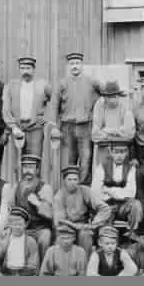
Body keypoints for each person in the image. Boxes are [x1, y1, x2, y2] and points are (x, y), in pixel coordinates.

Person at [49, 52, 102, 186]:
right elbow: (54, 105)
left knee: (86, 158)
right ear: (68, 66)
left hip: (86, 126)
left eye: (77, 63)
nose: (75, 66)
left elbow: (106, 93)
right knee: (70, 159)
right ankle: (69, 187)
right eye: (72, 63)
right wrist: (54, 126)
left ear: (82, 65)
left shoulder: (91, 81)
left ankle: (83, 188)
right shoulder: (62, 84)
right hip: (67, 127)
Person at [0, 155, 53, 260]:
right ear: (22, 169)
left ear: (37, 170)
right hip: (20, 227)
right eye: (25, 167)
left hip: (39, 229)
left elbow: (50, 214)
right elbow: (10, 210)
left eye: (31, 167)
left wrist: (37, 203)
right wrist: (6, 227)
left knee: (45, 238)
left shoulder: (45, 188)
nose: (28, 170)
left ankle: (42, 272)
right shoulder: (16, 187)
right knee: (3, 238)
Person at [53, 165, 111, 259]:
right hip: (66, 227)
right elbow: (60, 221)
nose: (73, 183)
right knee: (62, 238)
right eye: (70, 179)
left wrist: (94, 224)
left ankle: (86, 265)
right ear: (64, 181)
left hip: (84, 225)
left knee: (85, 234)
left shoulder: (85, 191)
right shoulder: (59, 196)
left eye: (75, 179)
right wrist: (76, 226)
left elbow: (104, 208)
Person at [2, 56, 52, 161]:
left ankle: (35, 177)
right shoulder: (11, 86)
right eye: (23, 68)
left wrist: (47, 116)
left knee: (35, 160)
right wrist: (13, 126)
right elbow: (5, 109)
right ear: (19, 70)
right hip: (17, 128)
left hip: (35, 128)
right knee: (17, 163)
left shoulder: (42, 85)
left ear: (33, 69)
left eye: (28, 68)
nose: (25, 71)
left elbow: (55, 101)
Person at [91, 141, 143, 240]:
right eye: (116, 152)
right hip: (106, 205)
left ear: (127, 153)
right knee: (105, 230)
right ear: (111, 152)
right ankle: (105, 238)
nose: (119, 155)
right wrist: (119, 192)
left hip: (123, 206)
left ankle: (132, 234)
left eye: (122, 152)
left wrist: (108, 190)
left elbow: (131, 193)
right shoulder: (102, 167)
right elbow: (95, 191)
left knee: (136, 205)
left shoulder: (131, 168)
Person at [91, 81, 136, 169]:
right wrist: (119, 132)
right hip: (103, 150)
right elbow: (95, 136)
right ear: (105, 97)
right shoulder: (100, 105)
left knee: (121, 177)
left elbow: (130, 134)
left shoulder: (125, 106)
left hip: (121, 150)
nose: (112, 100)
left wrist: (107, 131)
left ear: (118, 96)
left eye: (114, 96)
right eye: (109, 97)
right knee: (102, 175)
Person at [0, 206, 40, 276]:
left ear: (26, 224)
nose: (17, 227)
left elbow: (33, 266)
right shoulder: (4, 243)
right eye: (14, 224)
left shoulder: (31, 242)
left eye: (20, 224)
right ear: (9, 224)